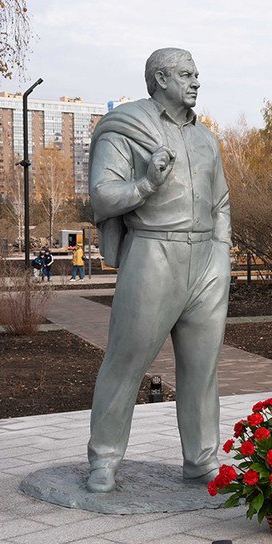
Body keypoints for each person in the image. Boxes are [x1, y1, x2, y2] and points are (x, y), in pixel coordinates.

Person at [85, 48, 232, 493]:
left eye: (197, 74)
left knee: (202, 368)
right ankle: (104, 459)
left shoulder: (206, 139)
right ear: (160, 78)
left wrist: (222, 251)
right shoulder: (125, 128)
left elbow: (221, 201)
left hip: (206, 259)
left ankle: (203, 460)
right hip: (153, 252)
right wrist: (146, 183)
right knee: (126, 361)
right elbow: (102, 197)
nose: (196, 82)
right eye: (187, 75)